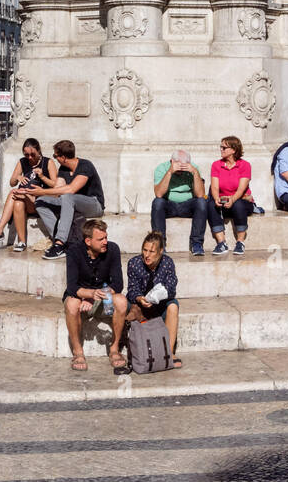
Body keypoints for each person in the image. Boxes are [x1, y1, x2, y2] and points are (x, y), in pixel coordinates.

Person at [63, 218, 128, 372]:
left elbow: (118, 284)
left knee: (122, 301)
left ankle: (114, 349)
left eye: (106, 237)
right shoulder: (74, 252)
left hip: (103, 298)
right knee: (71, 304)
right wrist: (89, 295)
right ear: (88, 241)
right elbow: (72, 287)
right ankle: (78, 352)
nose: (105, 241)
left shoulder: (112, 249)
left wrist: (95, 298)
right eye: (100, 239)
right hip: (82, 298)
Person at [24, 139, 105, 261]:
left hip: (94, 204)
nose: (55, 158)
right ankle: (60, 238)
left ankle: (59, 243)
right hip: (71, 202)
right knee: (40, 201)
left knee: (67, 196)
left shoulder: (85, 165)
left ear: (63, 157)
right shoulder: (63, 169)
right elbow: (57, 190)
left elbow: (71, 189)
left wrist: (42, 191)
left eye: (55, 156)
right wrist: (33, 193)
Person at [0, 138, 57, 250]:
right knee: (17, 203)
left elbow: (55, 185)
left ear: (39, 151)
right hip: (24, 199)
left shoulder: (48, 162)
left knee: (13, 193)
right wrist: (18, 177)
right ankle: (21, 242)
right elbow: (12, 183)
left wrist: (42, 177)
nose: (30, 157)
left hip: (39, 201)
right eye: (27, 155)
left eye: (32, 154)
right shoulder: (22, 161)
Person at [126, 230, 181, 365]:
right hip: (138, 304)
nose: (147, 255)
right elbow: (132, 289)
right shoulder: (134, 263)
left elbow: (171, 289)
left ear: (160, 251)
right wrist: (140, 299)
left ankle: (169, 352)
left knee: (173, 305)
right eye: (144, 250)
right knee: (123, 304)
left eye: (151, 252)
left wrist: (155, 298)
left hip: (160, 304)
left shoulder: (167, 263)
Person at [151, 150, 208, 257]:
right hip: (169, 204)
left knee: (202, 202)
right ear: (172, 161)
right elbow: (158, 193)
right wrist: (170, 172)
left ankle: (197, 243)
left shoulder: (194, 168)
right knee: (157, 202)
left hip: (188, 205)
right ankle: (160, 244)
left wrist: (195, 173)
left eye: (184, 167)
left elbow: (200, 194)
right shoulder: (161, 168)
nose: (181, 170)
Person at [207, 136, 254, 254]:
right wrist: (217, 198)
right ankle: (221, 243)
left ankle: (240, 242)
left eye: (224, 147)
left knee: (238, 204)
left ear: (233, 150)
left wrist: (232, 199)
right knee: (211, 204)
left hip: (240, 200)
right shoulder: (216, 165)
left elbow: (241, 189)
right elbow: (215, 186)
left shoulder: (245, 165)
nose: (221, 149)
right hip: (223, 201)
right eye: (221, 147)